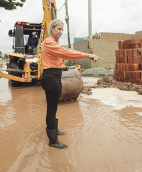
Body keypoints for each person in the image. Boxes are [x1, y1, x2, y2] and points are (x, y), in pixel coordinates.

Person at [41, 19, 102, 149]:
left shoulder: (54, 43)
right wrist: (88, 55)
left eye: (62, 29)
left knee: (54, 106)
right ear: (51, 28)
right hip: (50, 76)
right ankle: (52, 141)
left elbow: (64, 52)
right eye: (59, 29)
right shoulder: (48, 43)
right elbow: (67, 54)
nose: (61, 32)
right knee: (51, 109)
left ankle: (55, 130)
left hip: (56, 75)